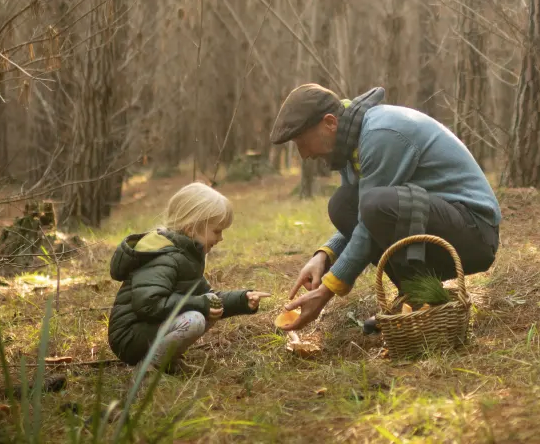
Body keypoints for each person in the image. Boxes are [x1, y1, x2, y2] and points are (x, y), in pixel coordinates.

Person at [272, 84, 500, 331]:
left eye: (302, 142)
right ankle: (417, 299)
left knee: (375, 204)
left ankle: (422, 301)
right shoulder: (350, 146)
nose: (304, 154)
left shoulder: (382, 134)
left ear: (330, 123)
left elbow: (371, 218)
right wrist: (325, 255)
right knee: (342, 204)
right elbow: (361, 216)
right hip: (438, 221)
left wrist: (326, 291)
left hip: (474, 231)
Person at [107, 182, 270, 370]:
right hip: (129, 336)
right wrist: (201, 304)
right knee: (195, 319)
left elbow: (208, 297)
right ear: (192, 228)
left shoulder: (186, 257)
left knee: (206, 304)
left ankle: (166, 360)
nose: (221, 238)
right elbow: (149, 303)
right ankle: (150, 367)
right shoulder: (165, 256)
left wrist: (242, 299)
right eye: (217, 231)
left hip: (149, 329)